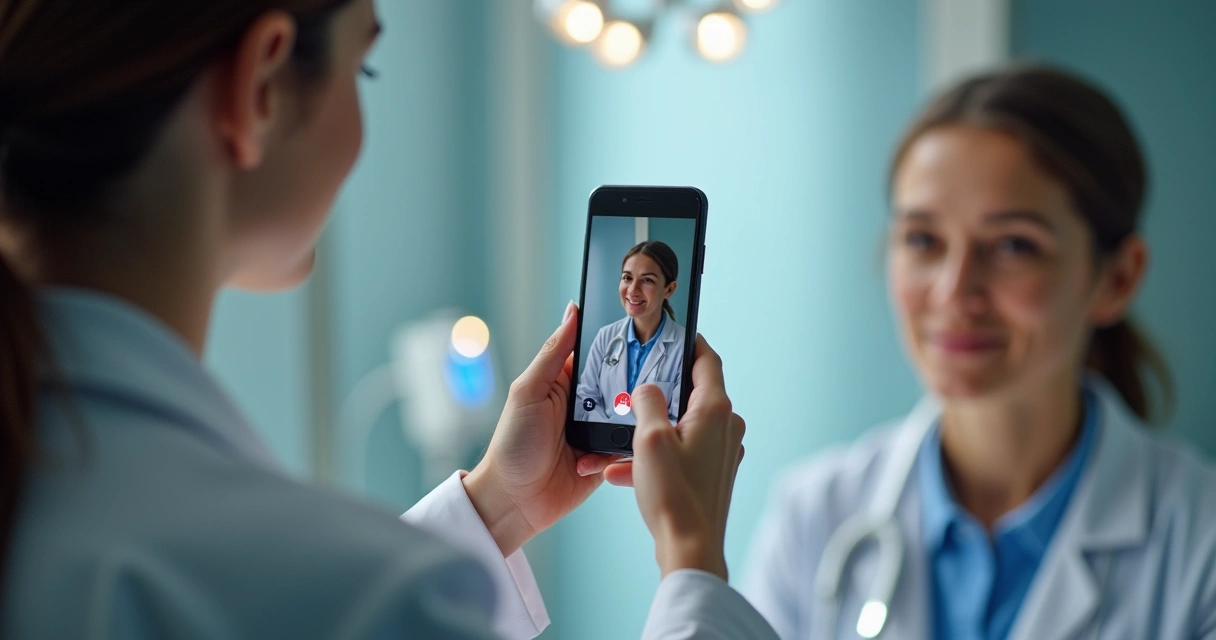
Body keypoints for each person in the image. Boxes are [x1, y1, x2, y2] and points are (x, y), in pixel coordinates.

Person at [0, 1, 778, 638]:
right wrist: (693, 560)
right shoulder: (363, 597)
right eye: (361, 66)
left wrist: (497, 504)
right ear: (263, 83)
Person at [735, 65, 1216, 639]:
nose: (953, 292)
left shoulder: (1200, 539)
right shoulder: (813, 514)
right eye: (922, 240)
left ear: (1117, 278)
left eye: (1014, 245)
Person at [576, 241, 686, 424]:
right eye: (627, 278)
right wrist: (605, 429)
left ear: (669, 289)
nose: (633, 290)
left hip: (653, 449)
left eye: (647, 280)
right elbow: (586, 398)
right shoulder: (605, 336)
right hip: (602, 444)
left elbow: (679, 418)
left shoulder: (683, 345)